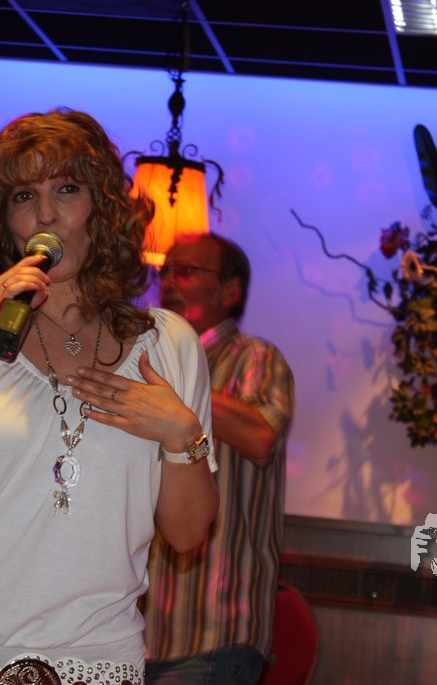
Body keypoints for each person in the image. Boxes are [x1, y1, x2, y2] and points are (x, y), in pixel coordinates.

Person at [0, 109, 219, 684]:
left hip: (94, 659)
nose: (47, 215)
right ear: (4, 221)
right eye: (24, 196)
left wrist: (183, 436)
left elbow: (187, 535)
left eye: (68, 189)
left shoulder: (169, 344)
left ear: (103, 210)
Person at [144, 232, 296, 685]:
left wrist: (174, 386)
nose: (169, 283)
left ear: (230, 291)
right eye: (165, 272)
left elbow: (260, 436)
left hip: (215, 630)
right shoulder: (149, 360)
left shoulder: (255, 358)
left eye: (186, 272)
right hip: (136, 631)